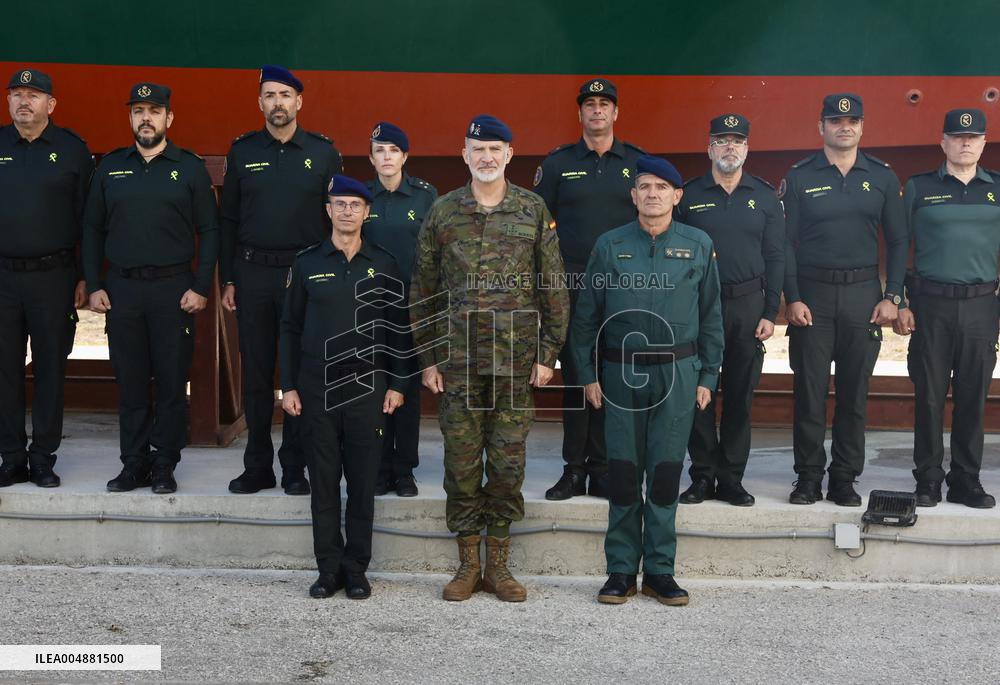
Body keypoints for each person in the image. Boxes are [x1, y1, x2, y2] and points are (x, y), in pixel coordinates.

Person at [410, 114, 568, 602]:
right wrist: (429, 358)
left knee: (506, 463)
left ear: (509, 155)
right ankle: (466, 567)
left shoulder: (532, 209)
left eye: (495, 149)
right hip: (457, 363)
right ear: (465, 155)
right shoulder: (443, 212)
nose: (486, 157)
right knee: (460, 462)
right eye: (478, 149)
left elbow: (553, 285)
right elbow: (423, 289)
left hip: (515, 365)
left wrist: (549, 353)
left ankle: (498, 566)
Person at [572, 155, 722, 606]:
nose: (652, 193)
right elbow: (585, 318)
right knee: (622, 472)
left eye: (662, 186)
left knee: (663, 473)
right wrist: (586, 375)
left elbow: (712, 315)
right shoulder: (609, 245)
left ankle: (659, 570)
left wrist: (708, 375)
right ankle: (620, 570)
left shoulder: (698, 243)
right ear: (633, 196)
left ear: (678, 196)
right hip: (622, 372)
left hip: (679, 373)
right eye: (645, 187)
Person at [83, 83, 219, 494]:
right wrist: (94, 284)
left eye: (154, 111)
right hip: (122, 290)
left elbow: (210, 230)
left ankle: (164, 464)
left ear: (168, 119)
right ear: (130, 118)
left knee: (173, 381)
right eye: (139, 110)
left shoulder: (189, 168)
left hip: (173, 291)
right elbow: (91, 229)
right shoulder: (110, 167)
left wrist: (200, 286)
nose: (146, 118)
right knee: (132, 382)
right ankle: (133, 463)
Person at [280, 174, 410, 599]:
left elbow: (397, 330)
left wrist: (397, 383)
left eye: (355, 204)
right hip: (317, 386)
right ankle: (327, 569)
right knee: (323, 481)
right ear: (328, 210)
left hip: (368, 386)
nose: (347, 211)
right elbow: (289, 328)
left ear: (367, 212)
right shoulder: (307, 263)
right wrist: (288, 386)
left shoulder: (385, 263)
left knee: (362, 480)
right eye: (340, 204)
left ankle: (356, 568)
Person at [220, 65, 343, 496]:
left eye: (285, 95)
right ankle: (257, 465)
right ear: (260, 103)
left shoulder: (324, 153)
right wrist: (230, 279)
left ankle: (294, 465)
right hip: (253, 273)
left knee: (300, 371)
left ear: (299, 102)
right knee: (256, 372)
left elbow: (337, 221)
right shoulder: (242, 152)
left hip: (305, 275)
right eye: (270, 95)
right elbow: (229, 220)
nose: (278, 103)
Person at [782, 93, 907, 506]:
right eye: (835, 121)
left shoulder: (883, 177)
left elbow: (900, 239)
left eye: (852, 120)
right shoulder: (800, 176)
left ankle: (844, 479)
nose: (844, 126)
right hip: (813, 297)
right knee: (810, 393)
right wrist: (793, 297)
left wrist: (893, 296)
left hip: (862, 297)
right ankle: (807, 478)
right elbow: (784, 243)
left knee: (854, 395)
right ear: (821, 127)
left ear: (862, 127)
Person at [534, 77, 644, 501]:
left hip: (623, 284)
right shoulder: (560, 163)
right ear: (580, 113)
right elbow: (539, 225)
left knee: (615, 377)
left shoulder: (636, 163)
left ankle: (604, 469)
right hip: (573, 283)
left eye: (605, 104)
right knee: (578, 377)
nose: (597, 110)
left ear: (616, 113)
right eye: (590, 104)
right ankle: (574, 469)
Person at [676, 114, 784, 506]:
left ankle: (732, 478)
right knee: (698, 393)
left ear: (746, 150)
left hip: (747, 305)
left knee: (740, 395)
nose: (729, 148)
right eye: (721, 141)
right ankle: (702, 476)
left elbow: (775, 256)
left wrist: (770, 311)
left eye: (737, 141)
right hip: (700, 307)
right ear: (709, 149)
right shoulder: (688, 195)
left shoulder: (765, 196)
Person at [894, 108, 999, 509]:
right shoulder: (919, 188)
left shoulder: (997, 188)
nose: (966, 142)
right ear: (943, 143)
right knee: (930, 397)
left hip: (980, 308)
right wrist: (900, 300)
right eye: (957, 137)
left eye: (973, 137)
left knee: (974, 398)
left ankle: (966, 480)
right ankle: (929, 479)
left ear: (984, 142)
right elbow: (900, 246)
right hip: (930, 306)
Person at [0, 68, 93, 489]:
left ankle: (43, 458)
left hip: (54, 277)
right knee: (5, 371)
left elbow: (88, 222)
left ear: (50, 105)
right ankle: (12, 457)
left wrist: (85, 277)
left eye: (33, 95)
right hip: (2, 277)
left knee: (51, 369)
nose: (23, 101)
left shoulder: (73, 151)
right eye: (16, 94)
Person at [363, 121, 437, 497]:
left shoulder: (425, 197)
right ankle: (377, 466)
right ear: (371, 157)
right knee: (373, 388)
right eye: (379, 150)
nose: (386, 157)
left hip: (411, 307)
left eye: (393, 150)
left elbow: (436, 254)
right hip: (369, 307)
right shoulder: (361, 197)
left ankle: (404, 468)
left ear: (405, 156)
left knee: (406, 389)